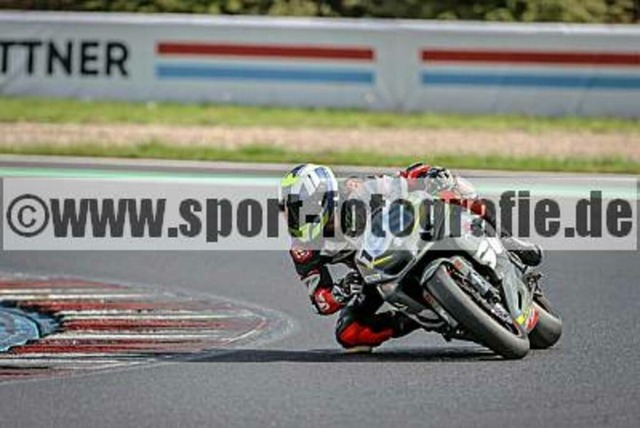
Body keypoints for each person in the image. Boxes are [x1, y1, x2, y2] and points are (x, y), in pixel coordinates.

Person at [279, 163, 542, 353]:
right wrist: (341, 291)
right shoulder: (303, 248)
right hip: (375, 272)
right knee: (349, 335)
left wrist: (429, 174)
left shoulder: (355, 189)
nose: (296, 218)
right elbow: (320, 300)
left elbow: (403, 179)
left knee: (454, 188)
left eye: (301, 209)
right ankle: (419, 318)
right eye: (290, 211)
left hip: (409, 233)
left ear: (324, 198)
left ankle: (507, 238)